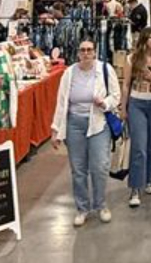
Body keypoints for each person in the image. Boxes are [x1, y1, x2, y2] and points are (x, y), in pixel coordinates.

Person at [51, 40, 121, 227]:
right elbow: (61, 102)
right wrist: (56, 129)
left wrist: (104, 103)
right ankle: (82, 208)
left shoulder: (105, 70)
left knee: (100, 166)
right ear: (78, 53)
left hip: (98, 123)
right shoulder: (69, 73)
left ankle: (101, 205)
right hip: (74, 125)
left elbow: (116, 96)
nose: (86, 53)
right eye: (82, 50)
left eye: (90, 50)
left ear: (95, 52)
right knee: (78, 169)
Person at [119, 29, 151, 208]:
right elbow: (126, 85)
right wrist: (123, 107)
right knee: (139, 147)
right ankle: (135, 187)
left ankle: (150, 179)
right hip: (137, 104)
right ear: (145, 39)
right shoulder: (132, 59)